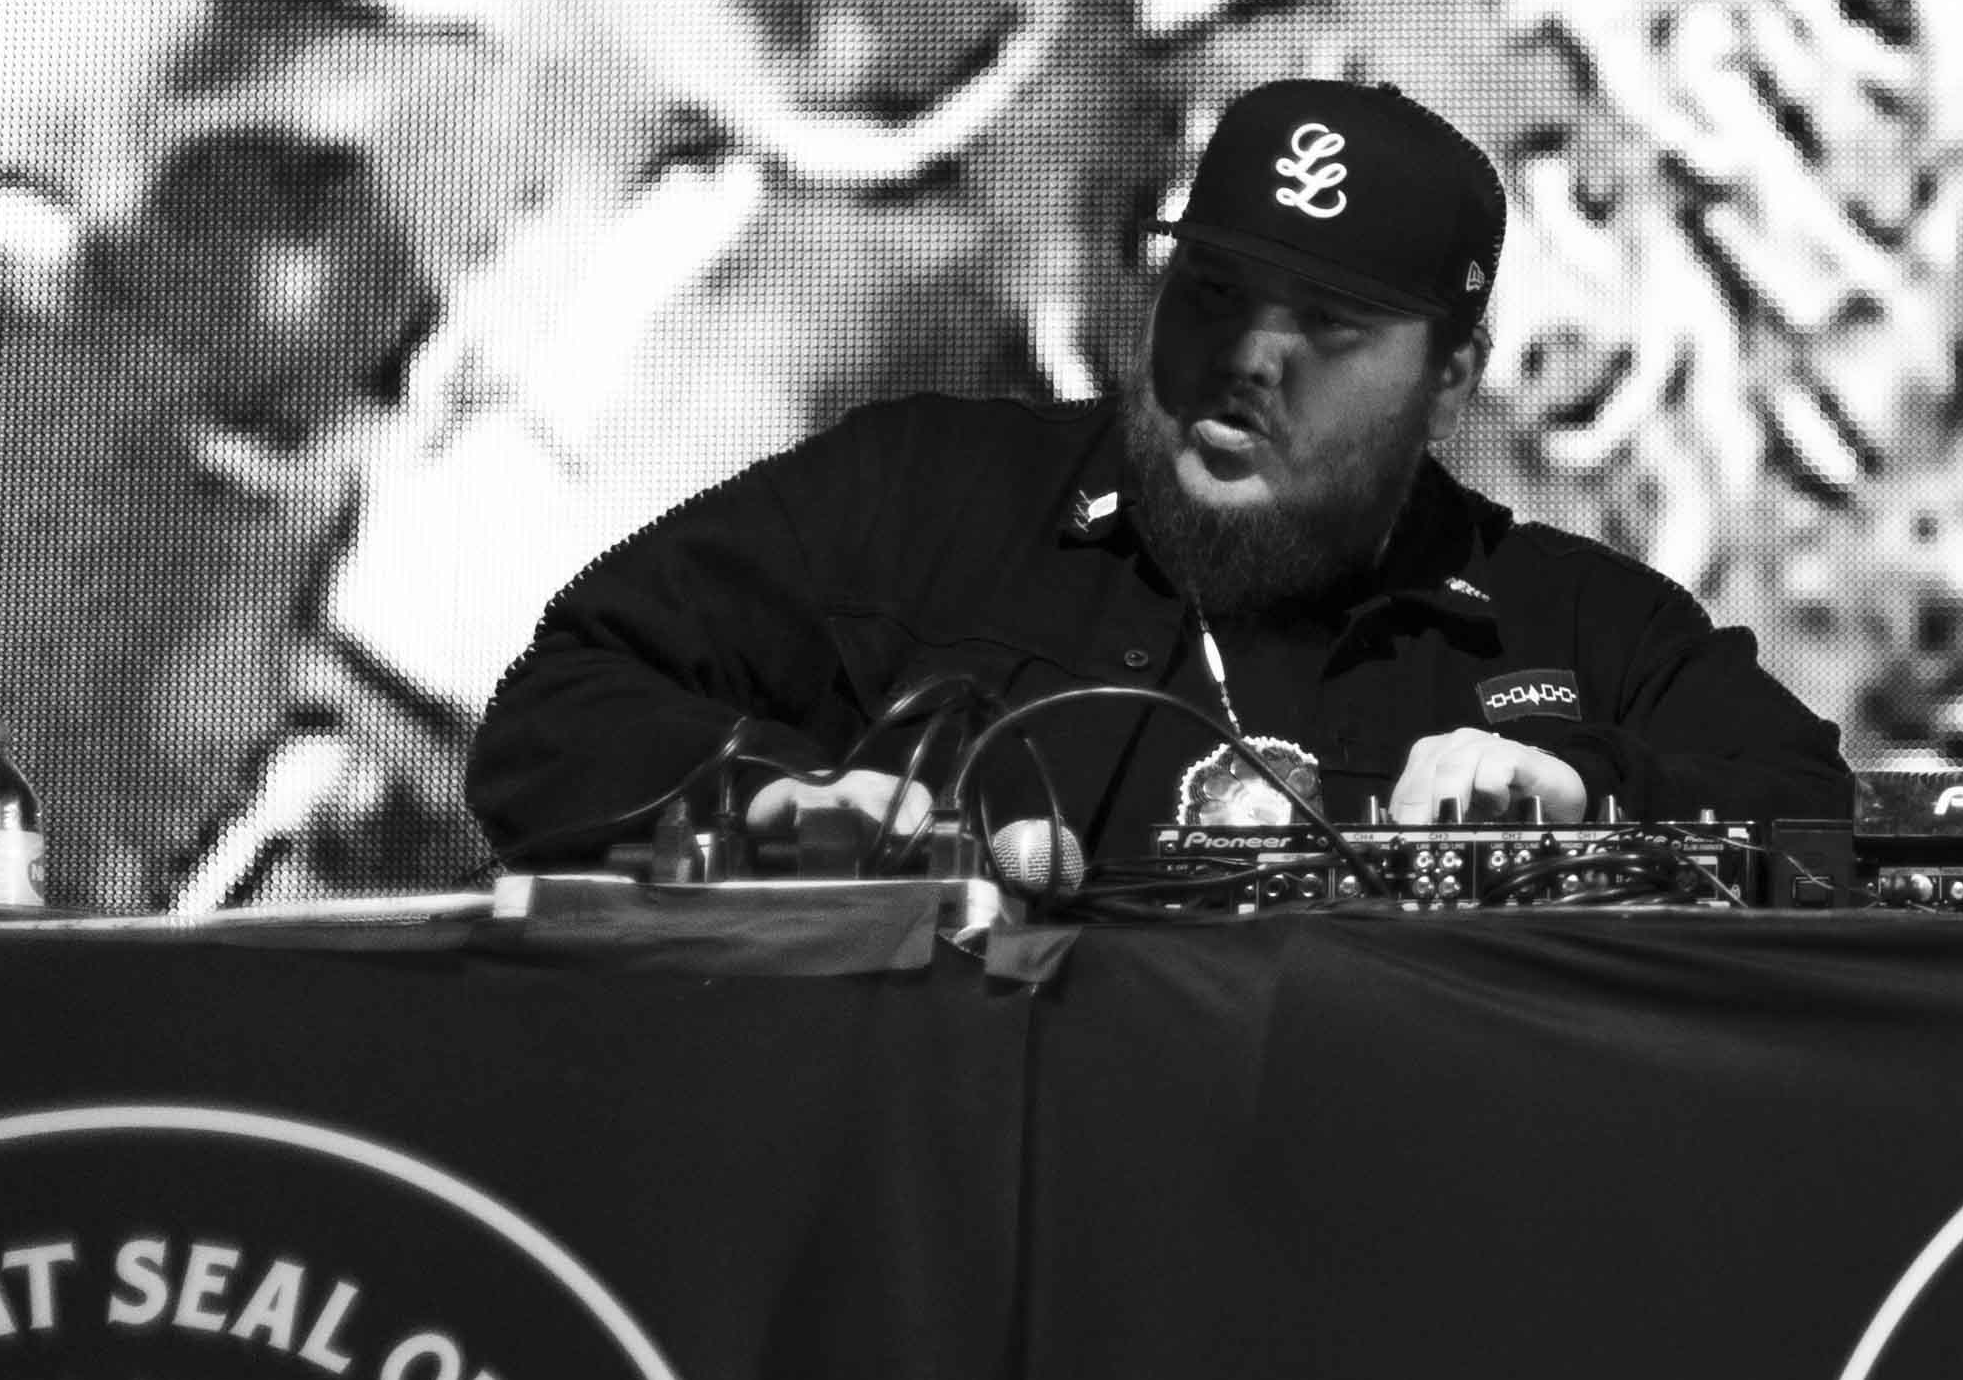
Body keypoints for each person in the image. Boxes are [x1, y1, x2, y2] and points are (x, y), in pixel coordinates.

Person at [467, 77, 1853, 878]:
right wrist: (775, 807)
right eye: (1217, 291)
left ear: (1452, 374)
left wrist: (1578, 797)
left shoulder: (1566, 624)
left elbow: (1825, 824)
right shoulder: (922, 496)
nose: (1248, 359)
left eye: (1328, 327)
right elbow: (559, 709)